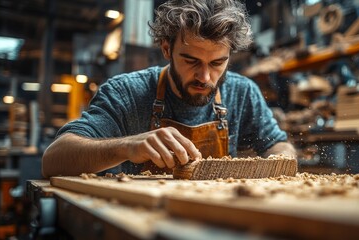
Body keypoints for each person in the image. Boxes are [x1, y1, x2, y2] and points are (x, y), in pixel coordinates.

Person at [42, 0, 296, 178]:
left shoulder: (242, 93)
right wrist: (127, 146)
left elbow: (279, 146)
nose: (205, 77)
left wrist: (278, 161)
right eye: (191, 61)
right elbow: (53, 159)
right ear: (166, 49)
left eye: (217, 63)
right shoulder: (126, 93)